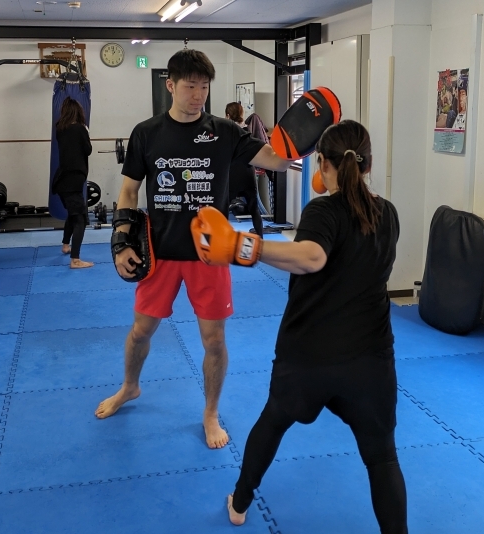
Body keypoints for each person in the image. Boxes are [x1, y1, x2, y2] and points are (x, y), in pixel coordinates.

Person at [94, 49, 291, 449]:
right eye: (190, 86)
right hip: (160, 251)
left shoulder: (226, 131)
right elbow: (129, 191)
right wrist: (121, 242)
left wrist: (300, 138)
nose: (198, 95)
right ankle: (130, 386)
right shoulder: (146, 133)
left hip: (210, 253)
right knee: (140, 331)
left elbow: (277, 162)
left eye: (204, 87)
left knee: (214, 341)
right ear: (171, 85)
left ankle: (210, 413)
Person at [217, 120, 408, 532]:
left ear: (322, 163)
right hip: (371, 360)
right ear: (369, 164)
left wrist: (243, 246)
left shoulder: (322, 210)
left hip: (310, 356)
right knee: (382, 458)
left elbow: (312, 257)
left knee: (273, 422)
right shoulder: (388, 213)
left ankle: (240, 502)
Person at [53, 97, 93, 268]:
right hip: (73, 181)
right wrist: (86, 132)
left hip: (61, 180)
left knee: (73, 214)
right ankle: (75, 260)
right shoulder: (80, 129)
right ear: (78, 112)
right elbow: (88, 150)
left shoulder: (60, 129)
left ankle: (65, 245)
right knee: (81, 219)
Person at [225, 102, 263, 237]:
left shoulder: (227, 132)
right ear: (242, 113)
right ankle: (261, 240)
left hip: (233, 173)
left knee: (223, 209)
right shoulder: (249, 131)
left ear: (228, 115)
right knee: (254, 209)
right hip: (248, 173)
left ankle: (222, 239)